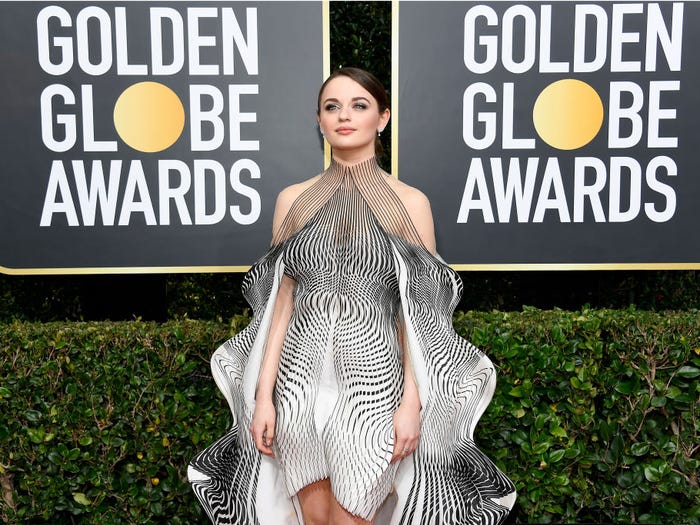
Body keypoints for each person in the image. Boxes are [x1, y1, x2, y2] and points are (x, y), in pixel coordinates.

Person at [188, 67, 516, 525]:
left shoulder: (410, 203)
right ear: (319, 120)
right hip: (296, 386)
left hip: (375, 387)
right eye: (332, 107)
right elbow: (278, 306)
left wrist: (412, 403)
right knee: (314, 520)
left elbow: (419, 316)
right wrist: (263, 397)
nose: (344, 116)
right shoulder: (293, 200)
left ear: (382, 118)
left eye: (359, 105)